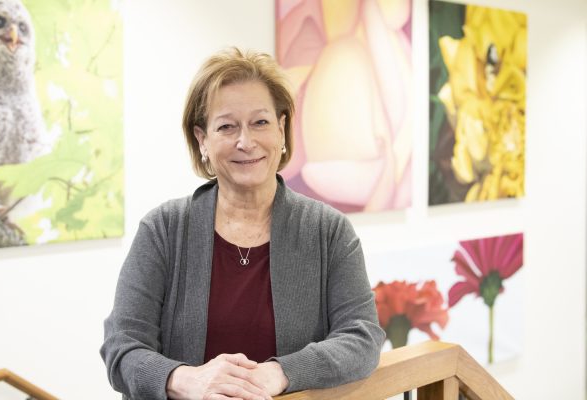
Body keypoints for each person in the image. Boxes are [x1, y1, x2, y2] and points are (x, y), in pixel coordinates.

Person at [100, 47, 385, 400]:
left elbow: (362, 338)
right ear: (202, 140)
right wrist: (188, 380)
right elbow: (122, 347)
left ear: (281, 129)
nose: (245, 142)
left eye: (260, 122)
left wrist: (282, 372)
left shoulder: (329, 232)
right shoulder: (162, 230)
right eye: (226, 126)